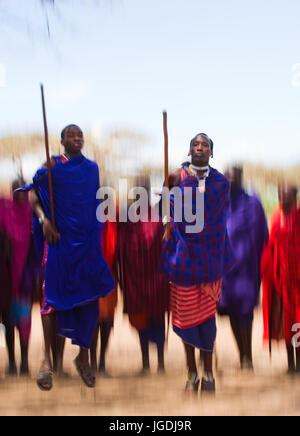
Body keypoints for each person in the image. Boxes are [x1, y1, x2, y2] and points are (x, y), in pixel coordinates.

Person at [28, 124, 115, 389]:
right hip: (58, 243)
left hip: (86, 244)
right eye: (71, 135)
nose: (77, 138)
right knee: (51, 299)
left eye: (80, 135)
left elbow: (92, 203)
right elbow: (33, 193)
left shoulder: (91, 169)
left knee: (89, 299)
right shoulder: (51, 165)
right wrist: (43, 220)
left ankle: (83, 357)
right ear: (62, 140)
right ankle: (46, 361)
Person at [160, 133, 233, 393]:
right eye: (195, 145)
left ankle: (209, 374)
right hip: (184, 261)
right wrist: (168, 222)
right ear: (189, 151)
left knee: (207, 320)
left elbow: (218, 220)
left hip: (210, 260)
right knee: (186, 319)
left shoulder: (221, 182)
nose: (200, 148)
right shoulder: (175, 177)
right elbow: (167, 209)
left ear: (211, 153)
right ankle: (191, 373)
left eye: (205, 145)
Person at [218, 166, 269, 370]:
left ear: (241, 177)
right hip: (226, 270)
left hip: (248, 269)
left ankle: (248, 356)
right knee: (231, 312)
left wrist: (260, 265)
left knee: (246, 312)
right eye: (228, 176)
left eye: (234, 175)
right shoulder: (220, 204)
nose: (231, 179)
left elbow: (263, 236)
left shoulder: (253, 203)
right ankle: (242, 355)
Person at [118, 175, 169, 374]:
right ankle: (146, 362)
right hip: (136, 280)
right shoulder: (128, 217)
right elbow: (123, 248)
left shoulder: (159, 216)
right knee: (142, 321)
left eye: (143, 189)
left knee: (157, 319)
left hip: (156, 280)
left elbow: (166, 245)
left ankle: (161, 363)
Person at [0, 179, 40, 376]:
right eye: (17, 190)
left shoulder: (31, 215)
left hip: (25, 275)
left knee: (24, 321)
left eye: (24, 191)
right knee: (7, 321)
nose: (21, 195)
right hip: (5, 276)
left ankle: (24, 363)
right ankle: (12, 363)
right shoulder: (4, 211)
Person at [261, 183, 300, 373]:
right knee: (286, 324)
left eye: (287, 196)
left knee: (297, 323)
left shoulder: (299, 218)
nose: (283, 199)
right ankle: (290, 363)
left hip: (297, 284)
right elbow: (270, 247)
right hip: (280, 282)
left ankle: (299, 362)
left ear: (295, 198)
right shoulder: (276, 218)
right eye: (280, 195)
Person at [90, 218, 118, 375]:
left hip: (109, 274)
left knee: (107, 321)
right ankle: (93, 361)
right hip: (92, 275)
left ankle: (101, 362)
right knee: (94, 319)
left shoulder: (111, 219)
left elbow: (115, 244)